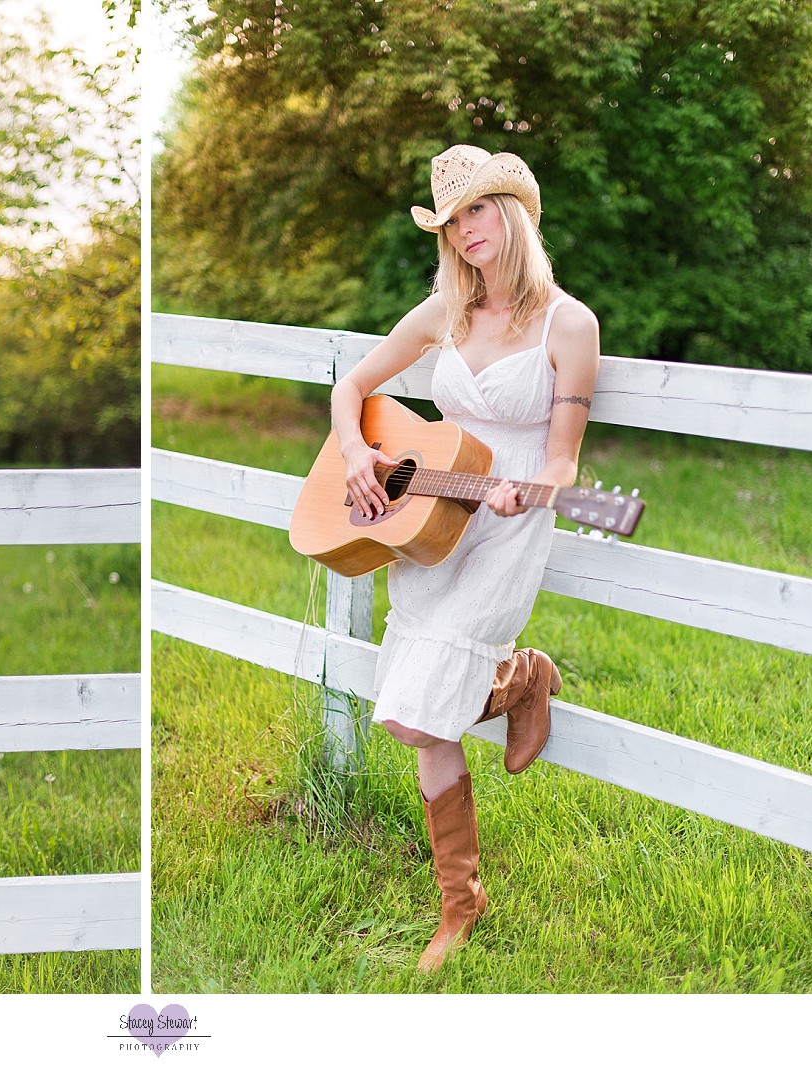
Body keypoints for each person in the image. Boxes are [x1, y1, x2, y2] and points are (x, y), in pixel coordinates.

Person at [330, 145, 599, 973]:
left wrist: (532, 490)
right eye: (452, 222)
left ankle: (520, 678)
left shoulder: (569, 324)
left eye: (477, 211)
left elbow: (562, 463)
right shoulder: (444, 311)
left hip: (508, 528)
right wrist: (353, 452)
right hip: (435, 520)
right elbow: (351, 387)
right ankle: (460, 902)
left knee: (414, 713)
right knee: (418, 721)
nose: (465, 232)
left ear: (514, 213)